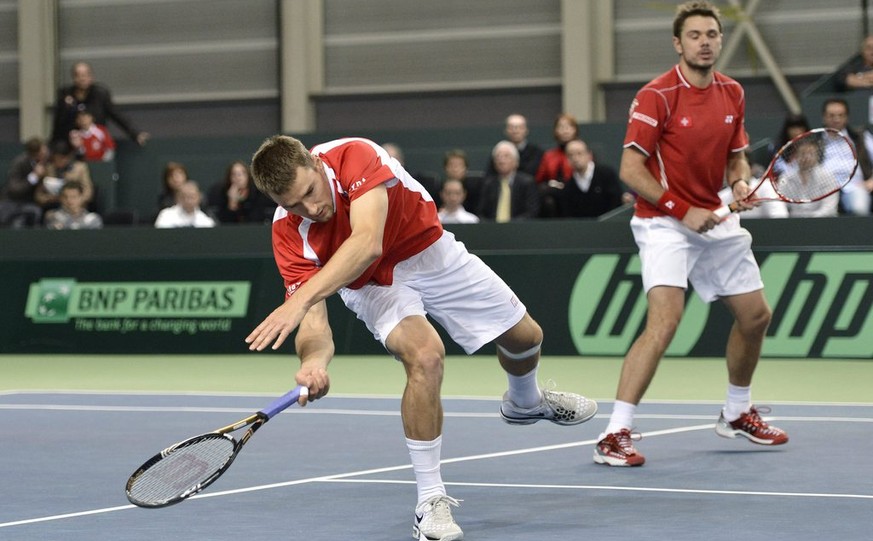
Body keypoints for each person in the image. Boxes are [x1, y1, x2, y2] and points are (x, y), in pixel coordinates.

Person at [246, 135, 597, 540]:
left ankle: (525, 402)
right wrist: (312, 363)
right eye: (292, 204)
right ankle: (430, 500)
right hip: (372, 286)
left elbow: (367, 242)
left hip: (429, 251)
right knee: (426, 357)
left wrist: (299, 299)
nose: (311, 209)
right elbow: (314, 327)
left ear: (315, 163)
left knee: (525, 337)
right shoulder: (288, 233)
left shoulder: (354, 156)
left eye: (309, 192)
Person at [593, 1, 788, 468]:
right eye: (695, 35)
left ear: (721, 40)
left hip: (715, 218)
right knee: (665, 322)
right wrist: (683, 211)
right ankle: (613, 432)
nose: (705, 42)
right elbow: (630, 169)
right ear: (678, 44)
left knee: (756, 316)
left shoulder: (732, 93)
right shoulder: (656, 95)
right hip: (663, 221)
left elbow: (737, 156)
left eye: (712, 34)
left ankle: (737, 413)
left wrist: (739, 182)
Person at [51, 61, 148, 146]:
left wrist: (135, 133)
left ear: (91, 77)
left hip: (96, 142)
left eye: (85, 75)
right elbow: (58, 122)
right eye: (78, 75)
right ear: (73, 78)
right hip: (71, 142)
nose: (82, 78)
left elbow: (116, 115)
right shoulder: (65, 94)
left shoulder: (100, 94)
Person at [821, 98, 873, 215]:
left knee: (859, 208)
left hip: (855, 188)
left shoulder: (860, 137)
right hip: (823, 191)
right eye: (831, 115)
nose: (836, 119)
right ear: (824, 117)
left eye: (840, 115)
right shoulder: (815, 140)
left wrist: (871, 181)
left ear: (847, 117)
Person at [554, 139, 625, 218]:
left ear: (589, 155)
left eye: (579, 153)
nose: (575, 158)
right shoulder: (568, 187)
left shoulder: (606, 175)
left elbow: (616, 203)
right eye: (570, 155)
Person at [477, 140, 540, 222]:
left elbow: (531, 213)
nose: (501, 160)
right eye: (498, 157)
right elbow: (481, 213)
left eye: (506, 156)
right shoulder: (488, 184)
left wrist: (509, 226)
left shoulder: (527, 183)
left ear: (516, 162)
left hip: (519, 230)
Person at [208, 160, 275, 224]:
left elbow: (256, 220)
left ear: (248, 176)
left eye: (242, 173)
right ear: (229, 178)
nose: (238, 177)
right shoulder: (222, 194)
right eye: (234, 174)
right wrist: (232, 203)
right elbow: (225, 224)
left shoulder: (258, 193)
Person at [35, 140, 94, 213]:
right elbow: (39, 195)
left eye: (62, 158)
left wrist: (74, 200)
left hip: (76, 207)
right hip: (54, 206)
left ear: (68, 157)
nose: (59, 162)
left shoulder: (80, 168)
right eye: (56, 159)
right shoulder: (49, 169)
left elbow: (88, 192)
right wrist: (49, 198)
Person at [0, 137, 47, 227]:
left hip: (38, 200)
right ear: (36, 153)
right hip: (15, 201)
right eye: (42, 151)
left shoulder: (48, 160)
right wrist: (34, 177)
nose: (45, 153)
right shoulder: (19, 163)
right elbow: (14, 189)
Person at [484, 114, 544, 178]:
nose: (515, 131)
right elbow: (489, 175)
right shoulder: (498, 151)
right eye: (511, 127)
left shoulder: (536, 152)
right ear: (506, 131)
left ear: (526, 130)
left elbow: (532, 174)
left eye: (520, 127)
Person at [442, 148, 483, 214]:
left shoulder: (475, 191)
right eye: (451, 165)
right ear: (445, 168)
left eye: (459, 165)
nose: (455, 169)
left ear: (466, 168)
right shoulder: (439, 190)